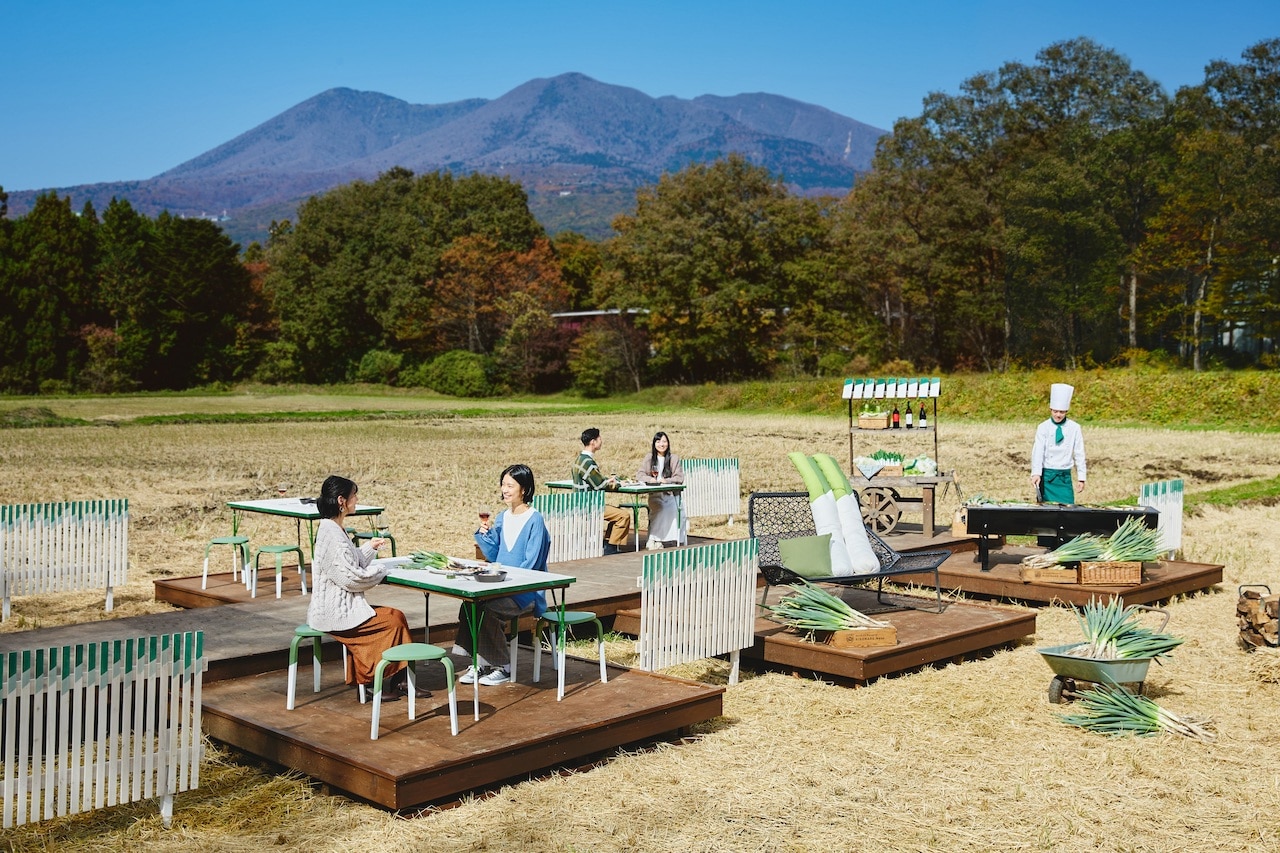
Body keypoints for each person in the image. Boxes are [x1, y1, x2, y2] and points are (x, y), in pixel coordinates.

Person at [305, 475, 418, 701]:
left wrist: (369, 547)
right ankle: (368, 681)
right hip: (333, 614)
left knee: (396, 616)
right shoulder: (331, 533)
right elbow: (350, 578)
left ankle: (401, 680)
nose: (356, 500)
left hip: (342, 608)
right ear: (341, 501)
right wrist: (382, 571)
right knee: (393, 620)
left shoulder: (334, 528)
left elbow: (349, 561)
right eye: (354, 496)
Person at [457, 463, 551, 686]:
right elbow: (494, 554)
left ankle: (504, 666)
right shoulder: (501, 517)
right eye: (503, 485)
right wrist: (484, 535)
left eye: (511, 485)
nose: (505, 490)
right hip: (501, 586)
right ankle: (479, 662)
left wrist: (507, 585)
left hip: (525, 591)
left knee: (488, 610)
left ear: (524, 489)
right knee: (469, 605)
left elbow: (532, 563)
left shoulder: (534, 520)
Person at [570, 427, 633, 555]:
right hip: (590, 505)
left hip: (581, 502)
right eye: (599, 438)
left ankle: (608, 542)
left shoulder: (579, 459)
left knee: (617, 514)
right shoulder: (588, 462)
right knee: (623, 515)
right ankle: (612, 546)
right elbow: (599, 485)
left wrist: (607, 480)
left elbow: (594, 480)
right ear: (593, 441)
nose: (601, 441)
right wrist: (617, 484)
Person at [1031, 382, 1087, 505]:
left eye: (1062, 412)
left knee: (1068, 510)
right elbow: (1038, 451)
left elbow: (1079, 453)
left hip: (1064, 477)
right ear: (1051, 409)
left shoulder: (1075, 428)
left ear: (1066, 411)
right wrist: (1036, 473)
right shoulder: (1043, 427)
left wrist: (1081, 477)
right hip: (1047, 477)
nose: (1058, 415)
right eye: (1055, 411)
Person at [636, 430, 685, 549]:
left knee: (676, 509)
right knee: (662, 509)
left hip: (669, 495)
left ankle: (662, 539)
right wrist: (651, 480)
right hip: (655, 496)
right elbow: (640, 475)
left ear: (668, 443)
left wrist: (666, 481)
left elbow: (679, 477)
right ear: (654, 444)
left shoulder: (674, 458)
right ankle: (654, 538)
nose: (661, 444)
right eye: (658, 441)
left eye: (664, 441)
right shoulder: (649, 458)